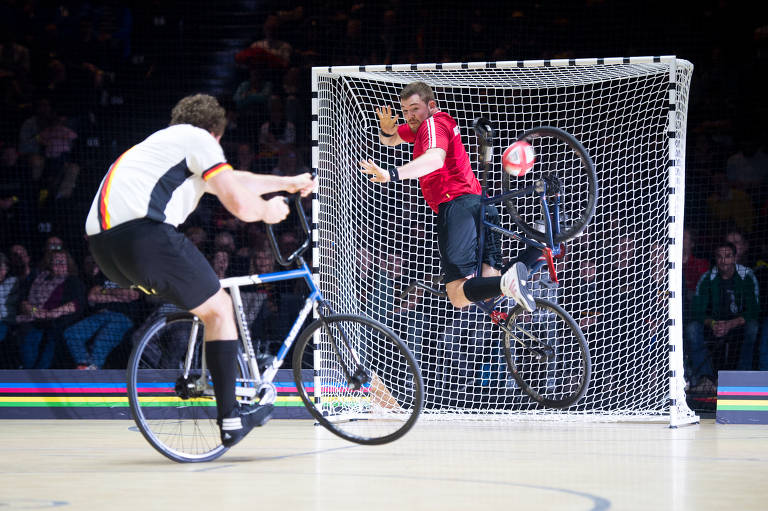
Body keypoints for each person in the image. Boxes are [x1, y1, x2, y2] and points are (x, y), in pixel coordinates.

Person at [84, 93, 314, 447]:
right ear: (216, 135)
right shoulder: (200, 139)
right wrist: (268, 212)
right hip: (145, 237)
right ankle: (231, 419)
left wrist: (287, 182)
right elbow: (237, 201)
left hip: (105, 250)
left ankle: (212, 382)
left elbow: (234, 179)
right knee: (221, 310)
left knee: (208, 309)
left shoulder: (161, 146)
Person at [360, 81, 536, 312]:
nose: (409, 116)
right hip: (481, 205)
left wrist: (391, 174)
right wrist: (386, 129)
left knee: (457, 296)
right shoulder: (424, 128)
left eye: (415, 108)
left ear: (431, 105)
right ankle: (536, 253)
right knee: (487, 292)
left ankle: (509, 281)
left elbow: (434, 159)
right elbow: (392, 138)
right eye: (405, 111)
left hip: (457, 207)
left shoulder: (433, 124)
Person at [686, 242, 760, 394]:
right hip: (714, 325)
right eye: (719, 257)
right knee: (692, 328)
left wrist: (731, 324)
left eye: (727, 256)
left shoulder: (746, 276)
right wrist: (712, 323)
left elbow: (754, 310)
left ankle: (740, 378)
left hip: (738, 324)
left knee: (754, 327)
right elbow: (696, 311)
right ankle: (705, 379)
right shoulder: (708, 278)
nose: (723, 260)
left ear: (734, 258)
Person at [63, 262, 141, 370]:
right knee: (72, 333)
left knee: (101, 343)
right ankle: (86, 365)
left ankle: (91, 373)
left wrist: (104, 291)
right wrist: (119, 296)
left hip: (122, 316)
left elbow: (132, 295)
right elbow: (91, 297)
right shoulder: (105, 273)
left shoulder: (130, 273)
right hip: (101, 314)